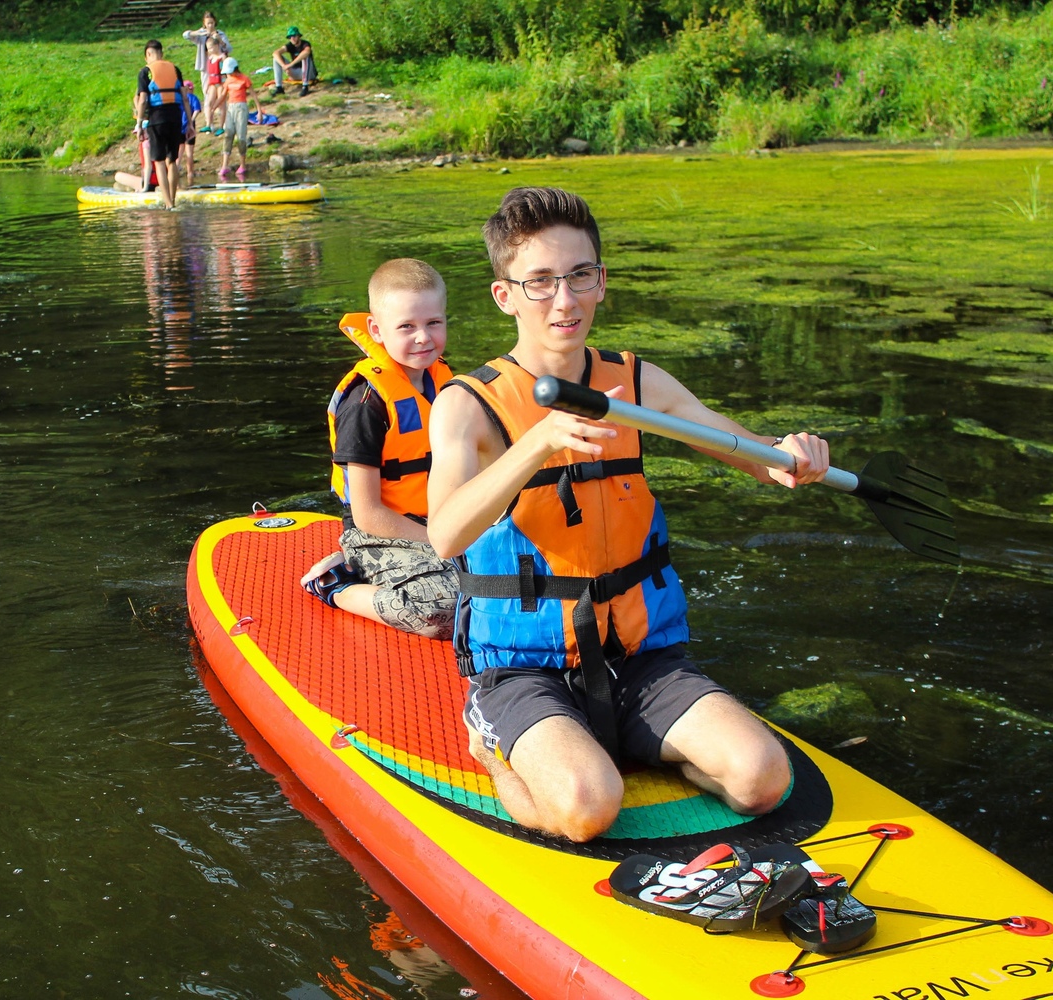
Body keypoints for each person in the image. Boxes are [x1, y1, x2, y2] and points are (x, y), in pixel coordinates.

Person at [426, 187, 832, 843]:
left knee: (761, 779)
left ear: (602, 280)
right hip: (524, 667)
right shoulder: (468, 405)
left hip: (641, 658)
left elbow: (752, 454)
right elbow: (445, 533)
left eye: (580, 275)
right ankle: (492, 745)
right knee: (586, 811)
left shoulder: (637, 383)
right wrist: (537, 443)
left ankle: (641, 742)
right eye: (540, 282)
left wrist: (792, 454)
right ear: (506, 295)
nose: (565, 300)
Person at [299, 259, 459, 640]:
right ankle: (337, 585)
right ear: (377, 329)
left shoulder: (446, 381)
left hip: (443, 521)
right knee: (443, 607)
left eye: (433, 323)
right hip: (378, 534)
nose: (423, 337)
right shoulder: (365, 403)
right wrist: (445, 542)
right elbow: (369, 514)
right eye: (407, 326)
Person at [134, 39, 192, 208]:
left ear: (148, 55)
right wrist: (189, 124)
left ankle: (168, 204)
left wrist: (139, 123)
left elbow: (143, 99)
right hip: (175, 116)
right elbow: (185, 98)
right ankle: (173, 199)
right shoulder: (175, 70)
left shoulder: (145, 72)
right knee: (172, 160)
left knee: (159, 161)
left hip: (156, 119)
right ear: (162, 53)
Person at [217, 57, 260, 179]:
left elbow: (253, 94)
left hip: (241, 107)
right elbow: (223, 96)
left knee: (241, 135)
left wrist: (259, 110)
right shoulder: (228, 81)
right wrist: (214, 106)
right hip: (231, 107)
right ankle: (224, 165)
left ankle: (243, 164)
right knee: (228, 134)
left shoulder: (244, 79)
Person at [182, 11, 231, 97]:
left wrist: (220, 40)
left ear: (215, 22)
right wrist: (197, 32)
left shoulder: (220, 34)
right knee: (206, 89)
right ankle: (209, 105)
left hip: (219, 65)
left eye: (212, 23)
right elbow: (185, 35)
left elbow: (229, 49)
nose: (210, 26)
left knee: (221, 87)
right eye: (208, 23)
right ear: (204, 23)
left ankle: (221, 105)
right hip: (205, 65)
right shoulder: (201, 35)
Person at [272, 26, 315, 97]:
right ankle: (279, 87)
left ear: (298, 36)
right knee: (276, 59)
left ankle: (305, 86)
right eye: (290, 37)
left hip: (309, 73)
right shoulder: (290, 45)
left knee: (305, 57)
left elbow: (306, 52)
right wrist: (284, 66)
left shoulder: (305, 44)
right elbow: (275, 53)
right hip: (295, 72)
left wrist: (290, 65)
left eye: (294, 36)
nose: (292, 39)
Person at [202, 36, 227, 134]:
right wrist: (208, 84)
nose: (210, 50)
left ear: (217, 46)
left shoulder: (222, 57)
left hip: (220, 82)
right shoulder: (210, 58)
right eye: (208, 48)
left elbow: (225, 71)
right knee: (209, 103)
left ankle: (221, 125)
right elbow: (209, 72)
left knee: (221, 104)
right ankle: (208, 123)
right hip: (212, 82)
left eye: (211, 48)